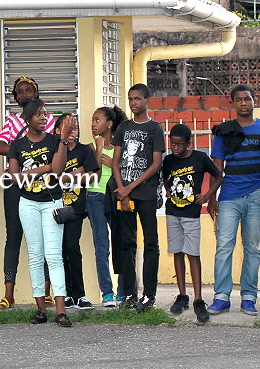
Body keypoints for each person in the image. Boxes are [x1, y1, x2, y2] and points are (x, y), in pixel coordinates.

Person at [207, 84, 260, 316]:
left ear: (254, 101)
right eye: (239, 99)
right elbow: (217, 167)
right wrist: (212, 198)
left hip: (255, 195)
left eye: (248, 99)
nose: (244, 103)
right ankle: (221, 298)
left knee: (252, 248)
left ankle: (249, 298)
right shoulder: (224, 131)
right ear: (232, 103)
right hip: (229, 196)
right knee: (224, 246)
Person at [8, 99, 74, 327]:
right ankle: (40, 310)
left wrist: (63, 139)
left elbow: (58, 170)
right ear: (27, 119)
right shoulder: (17, 145)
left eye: (45, 114)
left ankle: (61, 311)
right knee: (35, 256)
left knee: (54, 256)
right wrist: (45, 168)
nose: (43, 118)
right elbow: (15, 178)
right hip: (28, 203)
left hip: (52, 203)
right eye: (38, 114)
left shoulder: (55, 141)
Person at [0, 76, 56, 310]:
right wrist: (26, 147)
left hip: (45, 185)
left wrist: (22, 150)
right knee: (13, 236)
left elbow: (57, 148)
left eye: (29, 90)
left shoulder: (49, 120)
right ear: (15, 98)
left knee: (46, 236)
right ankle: (8, 295)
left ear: (36, 93)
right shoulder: (12, 121)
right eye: (20, 92)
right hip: (15, 185)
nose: (25, 94)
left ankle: (47, 293)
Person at [112, 83, 165, 312]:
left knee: (151, 243)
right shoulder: (123, 127)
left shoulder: (155, 128)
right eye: (130, 99)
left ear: (147, 101)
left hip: (146, 194)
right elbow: (116, 162)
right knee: (126, 243)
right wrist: (122, 190)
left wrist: (130, 187)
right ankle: (129, 294)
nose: (133, 103)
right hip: (124, 195)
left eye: (137, 99)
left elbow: (156, 164)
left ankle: (149, 295)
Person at [162, 124, 223, 323]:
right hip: (173, 213)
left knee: (193, 254)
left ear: (189, 143)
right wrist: (168, 190)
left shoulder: (200, 158)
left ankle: (198, 299)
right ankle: (182, 296)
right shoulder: (168, 160)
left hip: (191, 214)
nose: (175, 148)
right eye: (172, 144)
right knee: (177, 252)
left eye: (180, 145)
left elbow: (219, 176)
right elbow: (165, 177)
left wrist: (207, 195)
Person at [55, 114, 99, 310]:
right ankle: (65, 294)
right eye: (67, 127)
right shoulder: (54, 150)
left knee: (72, 248)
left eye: (75, 127)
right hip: (55, 207)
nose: (72, 131)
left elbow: (92, 176)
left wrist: (68, 177)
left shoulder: (84, 150)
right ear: (58, 130)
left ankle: (79, 294)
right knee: (59, 251)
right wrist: (76, 173)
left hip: (75, 208)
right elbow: (52, 177)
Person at [88, 105, 127, 307]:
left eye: (97, 120)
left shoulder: (120, 148)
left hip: (115, 197)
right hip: (95, 197)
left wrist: (112, 163)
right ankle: (107, 293)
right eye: (92, 121)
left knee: (121, 244)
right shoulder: (90, 147)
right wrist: (99, 148)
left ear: (109, 124)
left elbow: (124, 172)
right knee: (101, 247)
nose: (93, 125)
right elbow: (94, 172)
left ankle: (123, 292)